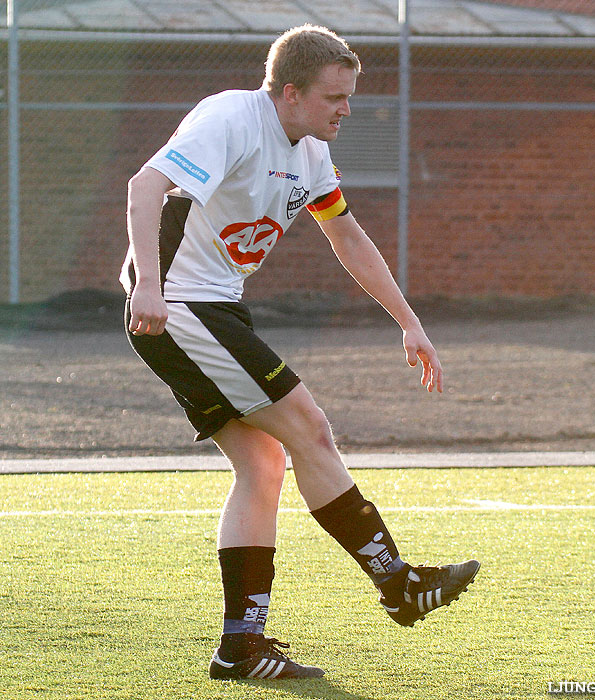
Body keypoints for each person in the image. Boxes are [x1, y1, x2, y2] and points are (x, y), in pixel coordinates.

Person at [121, 24, 480, 681]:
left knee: (264, 463)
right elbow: (145, 188)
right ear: (289, 93)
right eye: (334, 97)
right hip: (181, 307)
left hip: (215, 307)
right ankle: (397, 582)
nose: (347, 108)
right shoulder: (231, 118)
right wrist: (148, 284)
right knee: (310, 430)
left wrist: (410, 322)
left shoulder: (310, 150)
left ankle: (240, 647)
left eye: (349, 96)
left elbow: (347, 236)